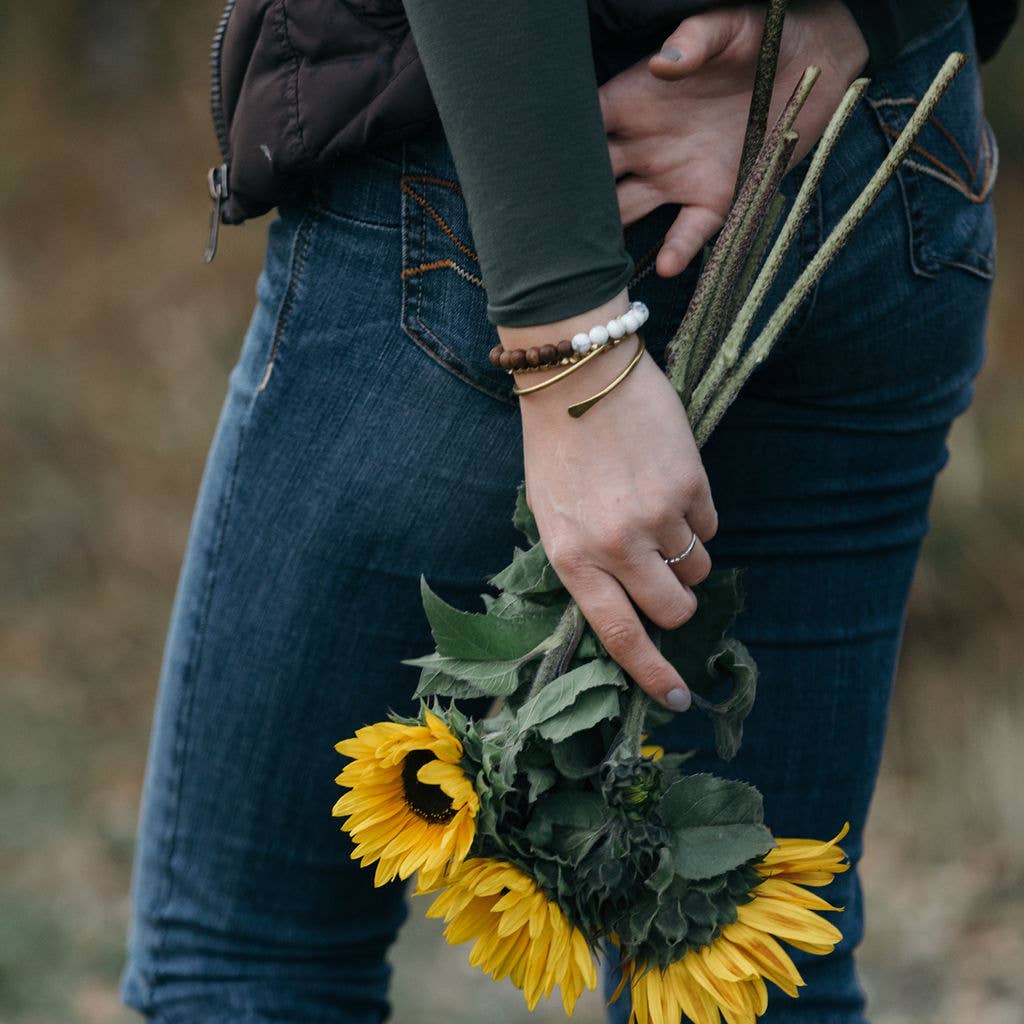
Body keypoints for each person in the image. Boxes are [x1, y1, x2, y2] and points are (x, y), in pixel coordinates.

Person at [121, 1, 1010, 1021]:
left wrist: (568, 337)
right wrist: (857, 24)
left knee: (251, 961)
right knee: (753, 975)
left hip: (521, 157)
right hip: (886, 141)